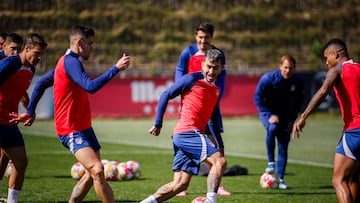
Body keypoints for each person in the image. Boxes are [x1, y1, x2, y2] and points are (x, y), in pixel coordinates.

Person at [49, 25, 129, 203]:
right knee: (97, 170)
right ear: (80, 42)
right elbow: (90, 87)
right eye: (90, 43)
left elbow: (44, 82)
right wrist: (115, 68)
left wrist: (31, 109)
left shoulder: (71, 61)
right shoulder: (70, 61)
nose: (92, 48)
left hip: (84, 127)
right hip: (70, 129)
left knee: (90, 174)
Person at [141, 49, 227, 203]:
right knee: (219, 162)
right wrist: (158, 123)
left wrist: (219, 144)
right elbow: (166, 94)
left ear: (221, 68)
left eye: (215, 68)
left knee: (180, 184)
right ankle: (210, 201)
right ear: (202, 65)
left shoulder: (216, 89)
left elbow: (213, 120)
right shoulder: (192, 79)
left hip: (185, 136)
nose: (211, 71)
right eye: (208, 66)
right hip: (188, 132)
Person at [292, 38, 360, 203]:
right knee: (354, 178)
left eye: (326, 57)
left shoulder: (338, 70)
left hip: (355, 130)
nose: (326, 62)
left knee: (338, 180)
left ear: (335, 54)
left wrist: (304, 116)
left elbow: (323, 91)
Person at [174, 22, 230, 196]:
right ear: (195, 37)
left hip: (211, 107)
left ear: (212, 38)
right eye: (200, 37)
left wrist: (214, 100)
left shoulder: (218, 55)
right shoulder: (188, 53)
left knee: (217, 143)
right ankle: (180, 184)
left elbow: (222, 80)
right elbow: (179, 78)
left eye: (206, 37)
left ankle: (217, 184)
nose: (202, 40)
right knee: (186, 140)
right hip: (193, 106)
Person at [0, 33, 47, 203]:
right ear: (26, 49)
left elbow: (21, 92)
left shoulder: (31, 68)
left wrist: (30, 111)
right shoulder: (10, 63)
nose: (40, 57)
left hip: (9, 121)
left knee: (21, 162)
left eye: (42, 54)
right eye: (37, 53)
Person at [254, 55, 304, 189]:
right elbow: (257, 98)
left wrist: (292, 120)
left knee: (283, 145)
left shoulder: (298, 82)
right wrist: (269, 115)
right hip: (267, 113)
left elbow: (298, 103)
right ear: (280, 66)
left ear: (294, 68)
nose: (288, 70)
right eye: (285, 67)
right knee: (272, 128)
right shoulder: (268, 79)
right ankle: (271, 162)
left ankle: (280, 179)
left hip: (286, 116)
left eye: (290, 68)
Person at [0, 32, 24, 200]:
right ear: (4, 47)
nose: (16, 53)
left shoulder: (17, 64)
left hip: (8, 119)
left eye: (18, 49)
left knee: (7, 158)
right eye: (12, 49)